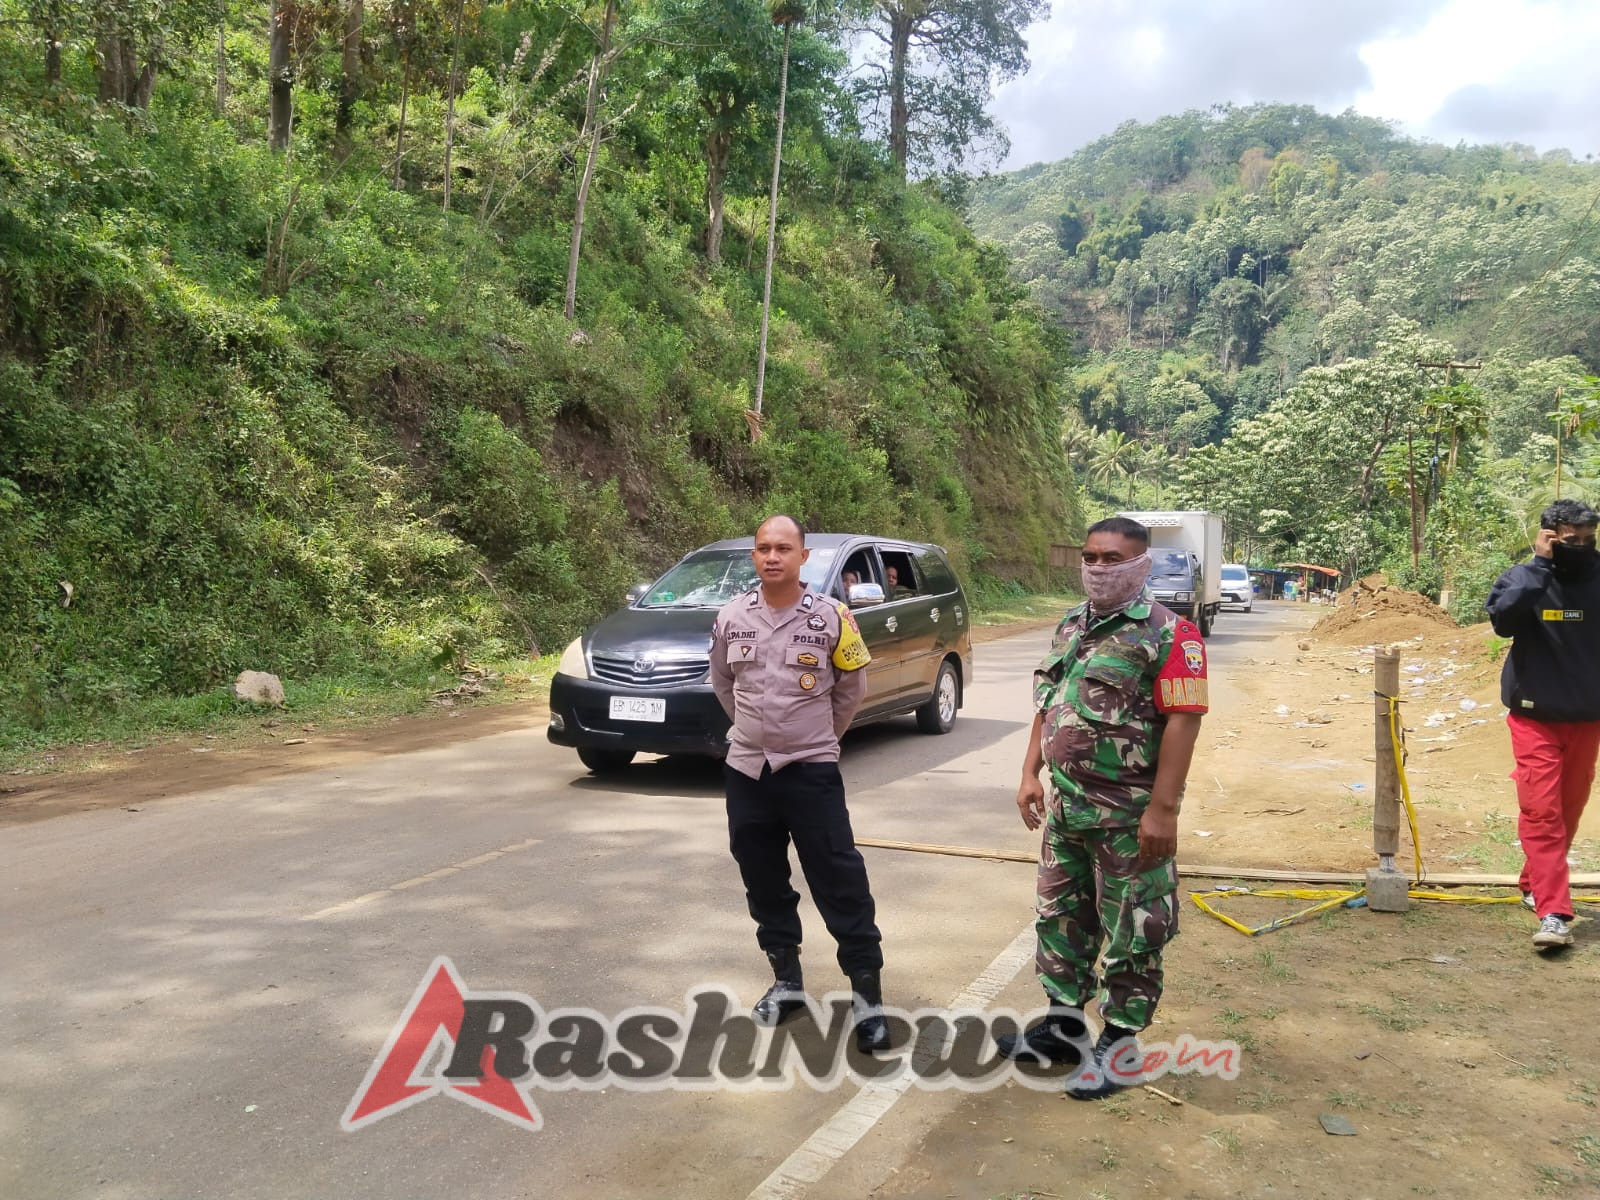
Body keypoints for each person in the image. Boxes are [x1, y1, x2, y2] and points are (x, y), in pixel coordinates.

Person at [998, 516, 1208, 1100]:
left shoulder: (1173, 635)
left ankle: (1120, 1044)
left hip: (1127, 818)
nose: (1097, 568)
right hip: (1066, 811)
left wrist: (1163, 811)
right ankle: (1064, 1026)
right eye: (1090, 557)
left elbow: (1184, 722)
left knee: (1134, 928)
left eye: (1112, 559)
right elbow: (1049, 703)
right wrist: (1029, 773)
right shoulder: (1072, 624)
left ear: (1141, 564)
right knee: (1060, 917)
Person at [709, 515, 890, 1051]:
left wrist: (815, 740)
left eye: (783, 548)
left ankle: (868, 1000)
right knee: (762, 878)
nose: (773, 556)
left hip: (811, 771)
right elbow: (723, 683)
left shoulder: (833, 616)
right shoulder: (731, 616)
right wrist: (756, 734)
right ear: (754, 555)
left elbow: (851, 690)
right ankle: (786, 981)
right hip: (748, 771)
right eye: (764, 548)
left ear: (803, 556)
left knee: (839, 878)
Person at [1486, 499, 1600, 950]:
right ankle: (1554, 913)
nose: (1581, 548)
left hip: (1587, 716)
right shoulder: (1523, 578)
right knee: (1542, 812)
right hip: (1534, 717)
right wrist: (1540, 565)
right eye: (1571, 540)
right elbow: (1503, 622)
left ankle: (1533, 883)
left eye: (1588, 540)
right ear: (1550, 536)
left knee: (1568, 810)